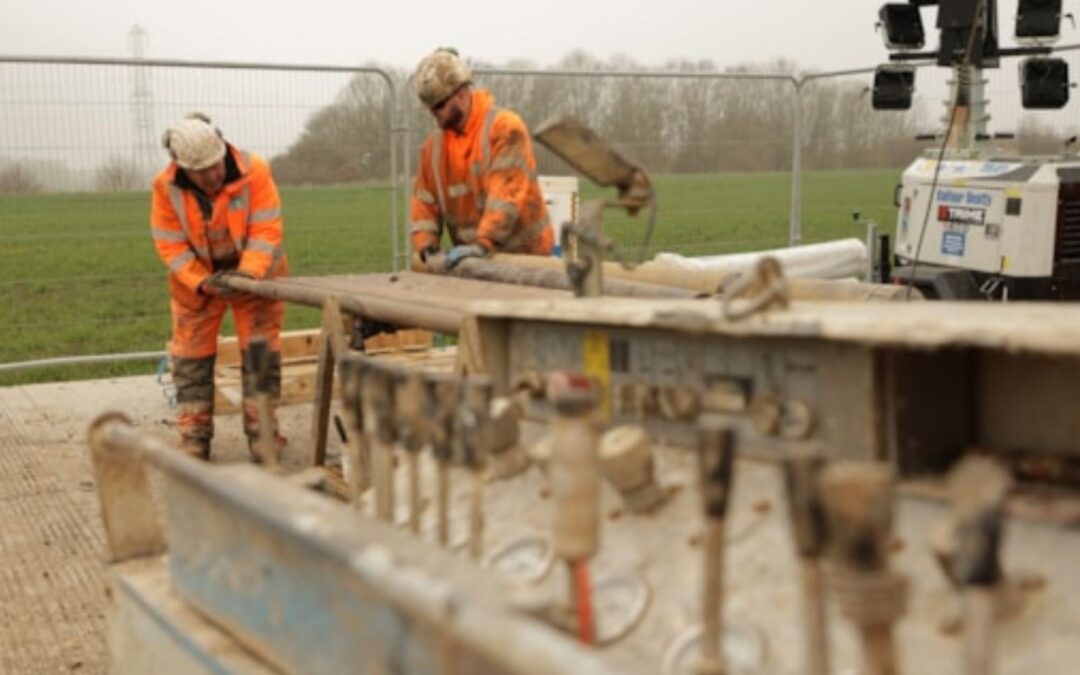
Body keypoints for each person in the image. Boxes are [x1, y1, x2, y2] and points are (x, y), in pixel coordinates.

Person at [150, 113, 288, 460]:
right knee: (191, 360)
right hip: (198, 282)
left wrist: (248, 276)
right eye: (202, 172)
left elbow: (266, 229)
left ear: (222, 148)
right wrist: (201, 282)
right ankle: (194, 436)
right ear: (182, 168)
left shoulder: (255, 170)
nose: (212, 175)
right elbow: (171, 246)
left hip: (255, 280)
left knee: (260, 357)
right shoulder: (166, 188)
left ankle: (264, 437)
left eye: (215, 166)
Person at [410, 48, 554, 271]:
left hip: (529, 261)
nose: (433, 113)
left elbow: (505, 197)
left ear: (461, 93)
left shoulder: (504, 128)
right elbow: (424, 201)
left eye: (439, 105)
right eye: (429, 107)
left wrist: (483, 243)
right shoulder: (433, 149)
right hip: (476, 261)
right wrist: (426, 246)